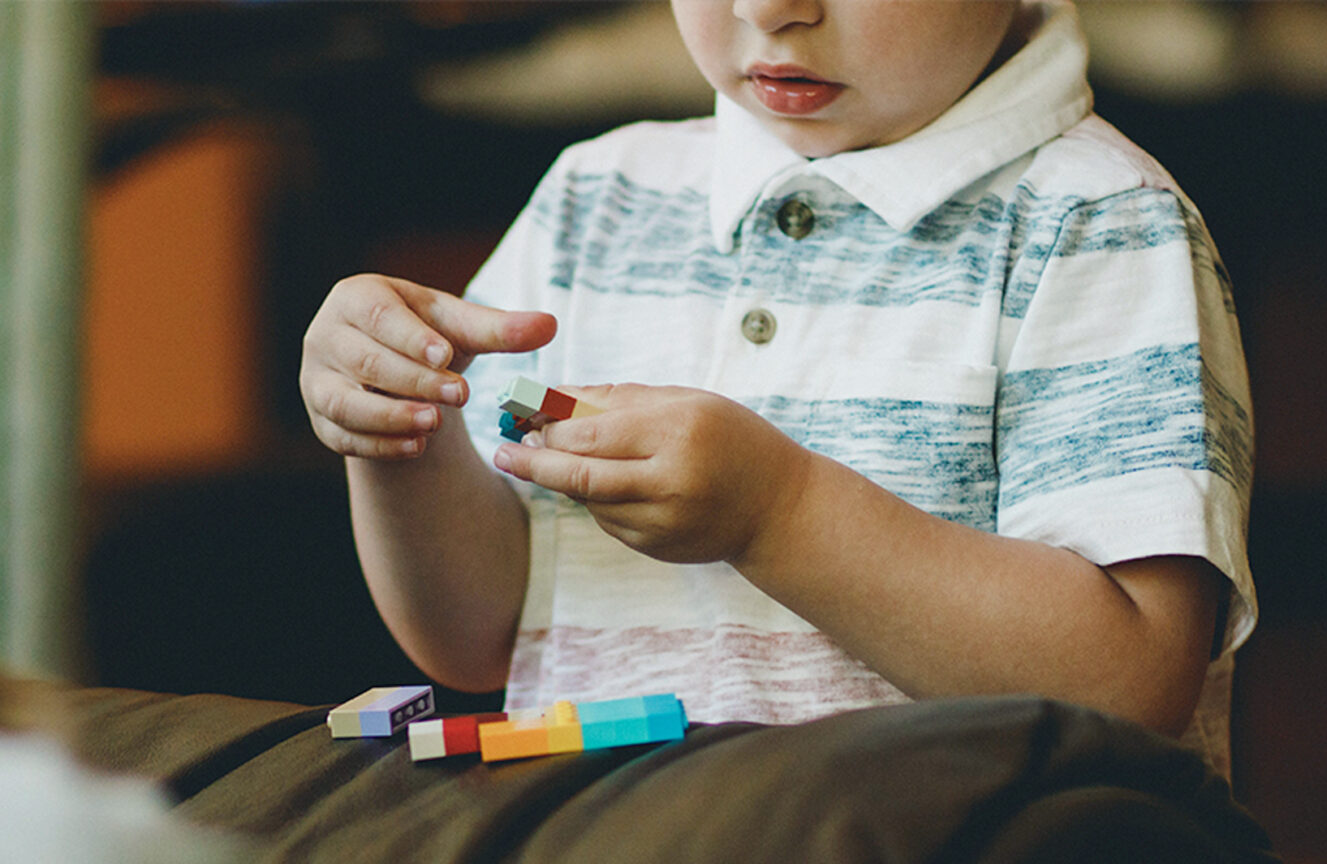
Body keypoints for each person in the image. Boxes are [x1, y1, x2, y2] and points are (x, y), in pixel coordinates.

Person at [299, 0, 1256, 777]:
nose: (769, 11)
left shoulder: (1099, 223)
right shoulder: (598, 196)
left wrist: (780, 513)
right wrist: (401, 433)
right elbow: (480, 637)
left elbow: (1130, 683)